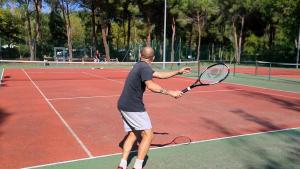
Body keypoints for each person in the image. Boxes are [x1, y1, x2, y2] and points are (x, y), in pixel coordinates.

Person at [117, 47, 191, 169]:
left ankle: (122, 164)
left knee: (133, 134)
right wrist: (170, 92)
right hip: (133, 106)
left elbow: (160, 75)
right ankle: (138, 166)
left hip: (123, 104)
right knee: (149, 135)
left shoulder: (139, 65)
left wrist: (178, 71)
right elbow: (150, 85)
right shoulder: (145, 67)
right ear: (153, 58)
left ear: (141, 55)